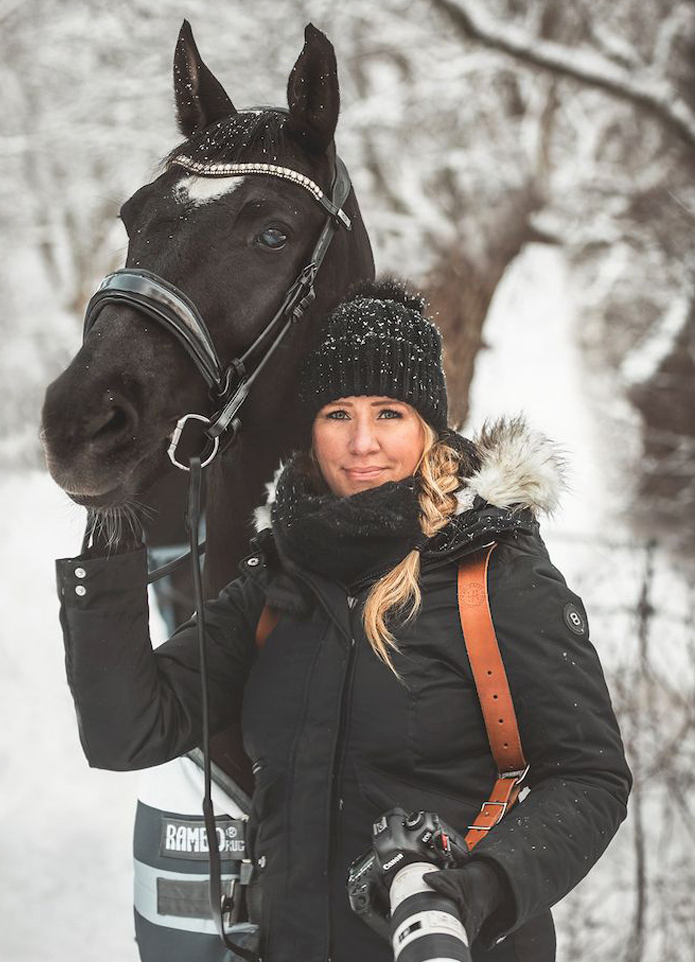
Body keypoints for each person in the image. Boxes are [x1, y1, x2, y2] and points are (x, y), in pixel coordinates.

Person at [56, 278, 631, 962]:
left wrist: (477, 891)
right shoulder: (277, 580)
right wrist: (112, 525)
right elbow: (127, 731)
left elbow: (589, 775)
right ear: (311, 431)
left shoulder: (494, 573)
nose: (362, 443)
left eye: (389, 413)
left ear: (427, 427)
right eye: (337, 414)